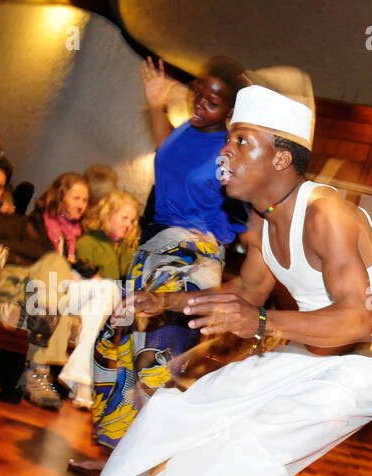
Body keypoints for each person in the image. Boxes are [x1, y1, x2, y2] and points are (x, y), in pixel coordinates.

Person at [73, 84, 372, 476]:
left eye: (240, 140)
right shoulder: (265, 216)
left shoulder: (327, 214)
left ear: (281, 157)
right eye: (230, 136)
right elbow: (248, 292)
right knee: (178, 413)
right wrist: (165, 303)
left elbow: (356, 318)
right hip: (310, 348)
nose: (224, 150)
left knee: (244, 454)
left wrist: (261, 324)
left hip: (362, 364)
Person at [90, 55, 249, 450]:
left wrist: (212, 238)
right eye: (199, 94)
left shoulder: (229, 151)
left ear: (230, 111)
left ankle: (145, 457)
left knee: (157, 357)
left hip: (189, 259)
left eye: (212, 102)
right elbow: (167, 153)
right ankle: (118, 448)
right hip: (152, 251)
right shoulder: (186, 132)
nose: (200, 105)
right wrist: (157, 104)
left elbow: (243, 206)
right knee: (119, 346)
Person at [59, 190, 142, 409]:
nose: (128, 224)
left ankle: (80, 381)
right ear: (109, 214)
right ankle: (80, 382)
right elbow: (87, 277)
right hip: (75, 296)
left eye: (132, 220)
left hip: (99, 307)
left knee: (100, 304)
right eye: (124, 217)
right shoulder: (89, 241)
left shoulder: (128, 251)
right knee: (107, 289)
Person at [16, 172, 90, 408]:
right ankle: (37, 372)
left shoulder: (78, 236)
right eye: (76, 197)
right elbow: (25, 256)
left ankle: (38, 372)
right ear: (60, 196)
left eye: (85, 200)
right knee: (56, 264)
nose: (81, 205)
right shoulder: (37, 222)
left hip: (55, 294)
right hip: (30, 283)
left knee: (63, 306)